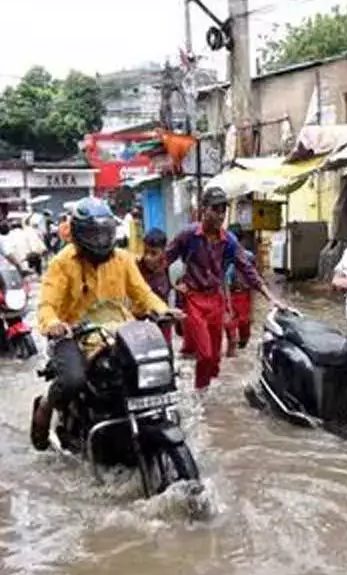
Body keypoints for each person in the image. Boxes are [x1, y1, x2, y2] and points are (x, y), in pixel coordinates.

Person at [30, 197, 180, 450]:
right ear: (78, 234)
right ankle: (46, 404)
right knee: (73, 380)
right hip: (75, 335)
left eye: (104, 234)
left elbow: (142, 294)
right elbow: (46, 304)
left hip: (121, 332)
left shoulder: (123, 259)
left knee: (158, 367)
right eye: (93, 234)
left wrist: (163, 310)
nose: (100, 241)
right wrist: (53, 323)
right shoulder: (62, 263)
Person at [166, 186, 286, 391]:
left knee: (214, 360)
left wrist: (270, 297)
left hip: (216, 300)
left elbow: (248, 270)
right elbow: (164, 260)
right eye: (216, 209)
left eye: (223, 210)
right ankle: (200, 392)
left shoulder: (229, 241)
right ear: (204, 209)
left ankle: (209, 402)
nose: (220, 215)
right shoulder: (188, 235)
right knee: (204, 354)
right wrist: (173, 286)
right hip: (194, 299)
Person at [224, 224, 256, 356]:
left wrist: (252, 310)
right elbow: (224, 282)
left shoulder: (248, 256)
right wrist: (228, 306)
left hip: (243, 296)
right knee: (230, 332)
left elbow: (253, 280)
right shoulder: (223, 257)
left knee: (244, 330)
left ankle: (241, 348)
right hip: (229, 295)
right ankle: (231, 353)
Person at [137, 228, 171, 343]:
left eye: (153, 253)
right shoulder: (135, 269)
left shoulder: (165, 266)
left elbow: (167, 285)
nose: (148, 258)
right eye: (145, 252)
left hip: (163, 323)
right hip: (141, 324)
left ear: (163, 252)